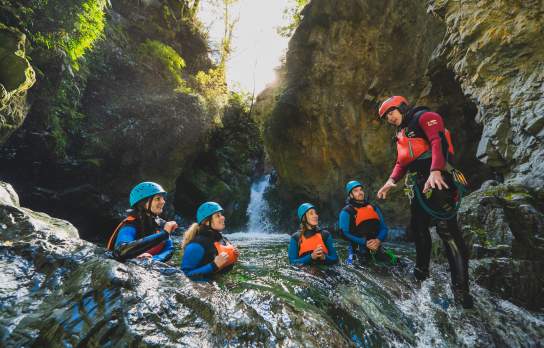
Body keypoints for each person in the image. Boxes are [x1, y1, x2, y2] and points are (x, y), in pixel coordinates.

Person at [376, 95, 473, 308]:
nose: (389, 118)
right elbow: (402, 162)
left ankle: (461, 292)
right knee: (418, 228)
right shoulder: (401, 132)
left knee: (447, 230)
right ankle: (421, 275)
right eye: (386, 116)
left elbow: (437, 141)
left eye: (391, 112)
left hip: (440, 180)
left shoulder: (425, 117)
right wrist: (391, 181)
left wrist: (436, 171)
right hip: (419, 184)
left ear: (401, 107)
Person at [107, 181, 176, 262]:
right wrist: (164, 234)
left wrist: (152, 259)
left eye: (162, 198)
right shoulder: (130, 224)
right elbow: (121, 251)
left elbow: (169, 250)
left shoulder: (161, 224)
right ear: (143, 203)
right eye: (158, 199)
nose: (163, 202)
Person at [339, 180, 395, 265]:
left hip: (376, 246)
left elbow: (384, 228)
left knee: (397, 264)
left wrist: (378, 240)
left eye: (361, 189)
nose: (360, 192)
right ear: (350, 195)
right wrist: (365, 242)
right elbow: (344, 233)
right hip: (357, 249)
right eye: (356, 191)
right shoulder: (346, 212)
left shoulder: (374, 208)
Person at [181, 202, 239, 280]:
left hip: (217, 281)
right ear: (207, 222)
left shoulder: (223, 240)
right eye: (217, 216)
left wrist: (233, 257)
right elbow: (184, 275)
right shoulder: (196, 245)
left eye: (221, 215)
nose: (223, 217)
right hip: (199, 286)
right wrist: (214, 265)